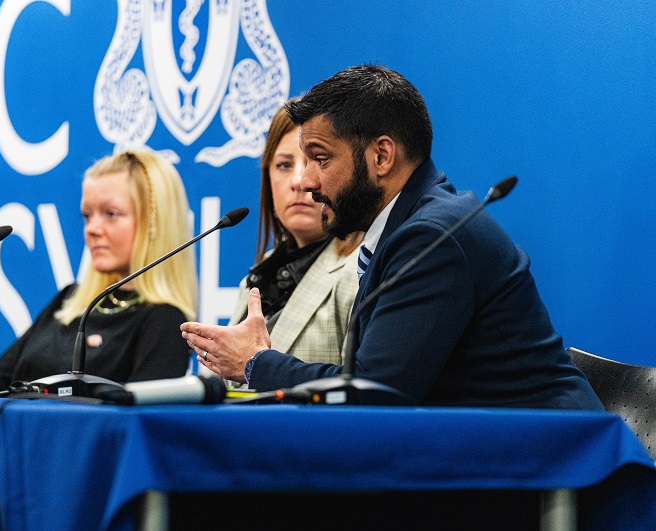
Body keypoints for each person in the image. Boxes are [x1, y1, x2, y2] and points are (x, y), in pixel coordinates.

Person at [181, 64, 603, 409]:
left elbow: (374, 392)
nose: (306, 182)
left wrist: (257, 363)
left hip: (550, 478)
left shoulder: (433, 237)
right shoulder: (406, 228)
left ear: (381, 156)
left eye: (320, 159)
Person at [0, 150, 198, 395]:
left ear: (155, 223)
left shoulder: (164, 321)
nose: (92, 229)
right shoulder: (69, 300)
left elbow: (135, 420)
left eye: (111, 214)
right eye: (87, 216)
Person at [225, 101, 361, 365]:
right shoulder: (260, 273)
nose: (299, 181)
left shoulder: (360, 271)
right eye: (285, 165)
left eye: (319, 161)